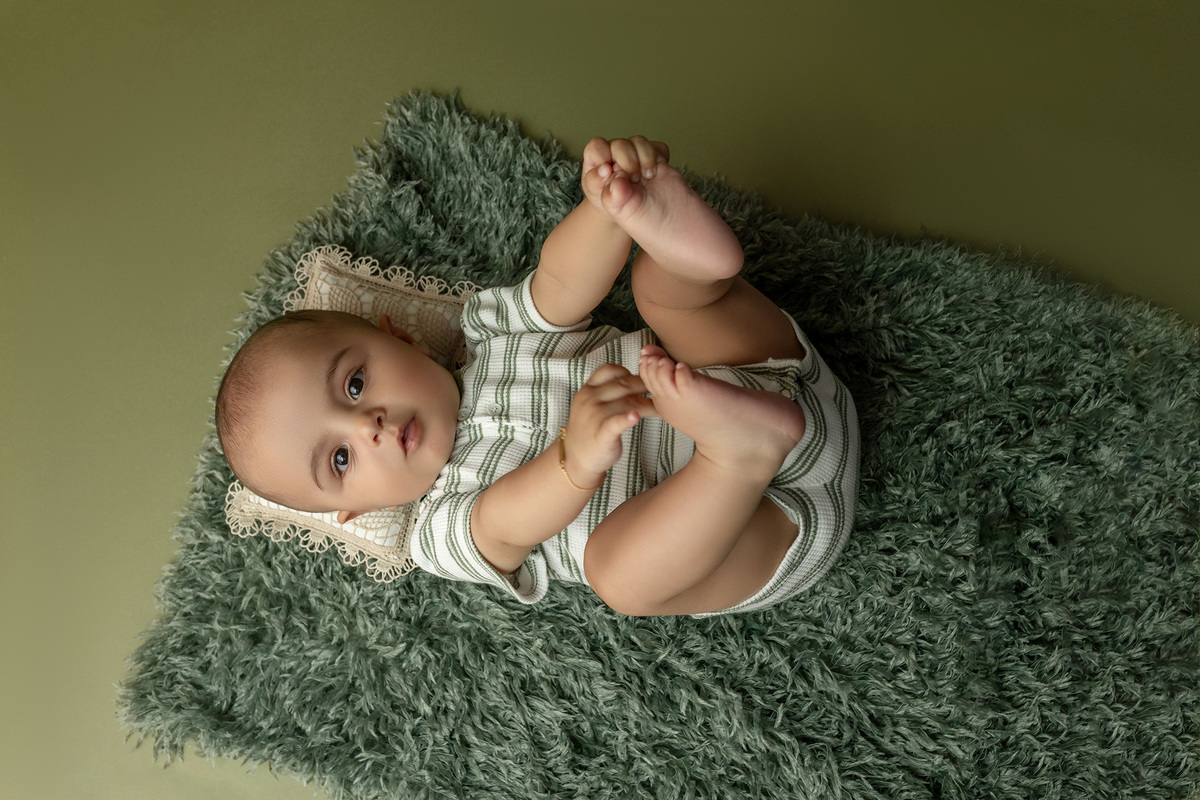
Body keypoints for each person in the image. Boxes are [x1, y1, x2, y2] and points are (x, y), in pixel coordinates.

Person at [216, 136, 859, 617]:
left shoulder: (492, 332)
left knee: (661, 291)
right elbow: (502, 522)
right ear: (354, 512)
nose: (369, 426)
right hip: (769, 527)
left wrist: (605, 208)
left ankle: (686, 252)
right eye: (340, 458)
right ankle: (732, 459)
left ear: (397, 335)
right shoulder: (437, 527)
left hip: (776, 384)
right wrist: (574, 461)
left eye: (355, 386)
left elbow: (559, 282)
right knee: (619, 577)